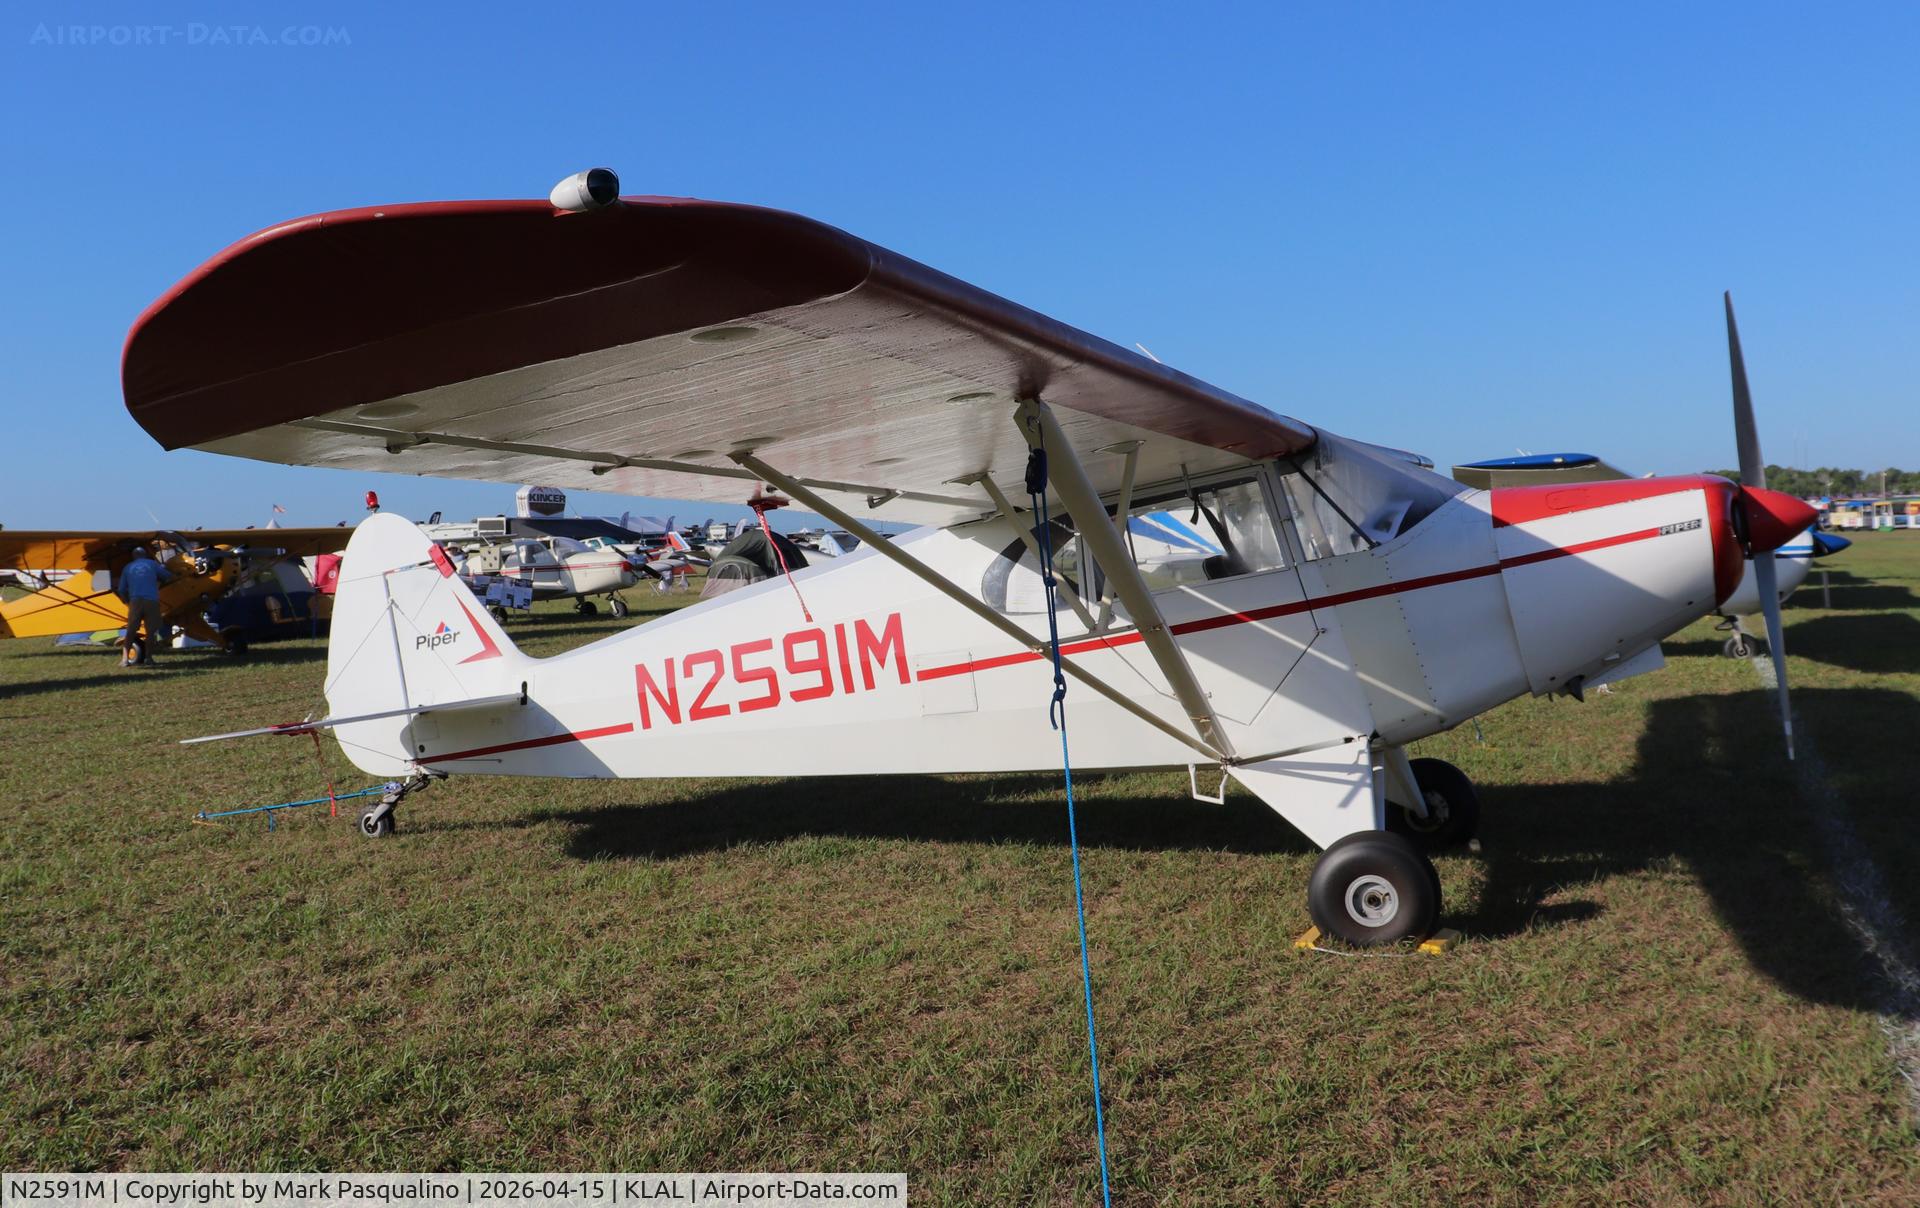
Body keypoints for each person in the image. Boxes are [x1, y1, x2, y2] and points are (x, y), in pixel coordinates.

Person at [116, 546, 173, 667]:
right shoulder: (152, 564)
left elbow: (121, 589)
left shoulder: (128, 567)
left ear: (133, 556)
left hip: (135, 601)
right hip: (151, 601)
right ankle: (149, 658)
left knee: (131, 631)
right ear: (145, 555)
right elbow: (168, 576)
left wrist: (127, 602)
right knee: (151, 632)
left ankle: (125, 659)